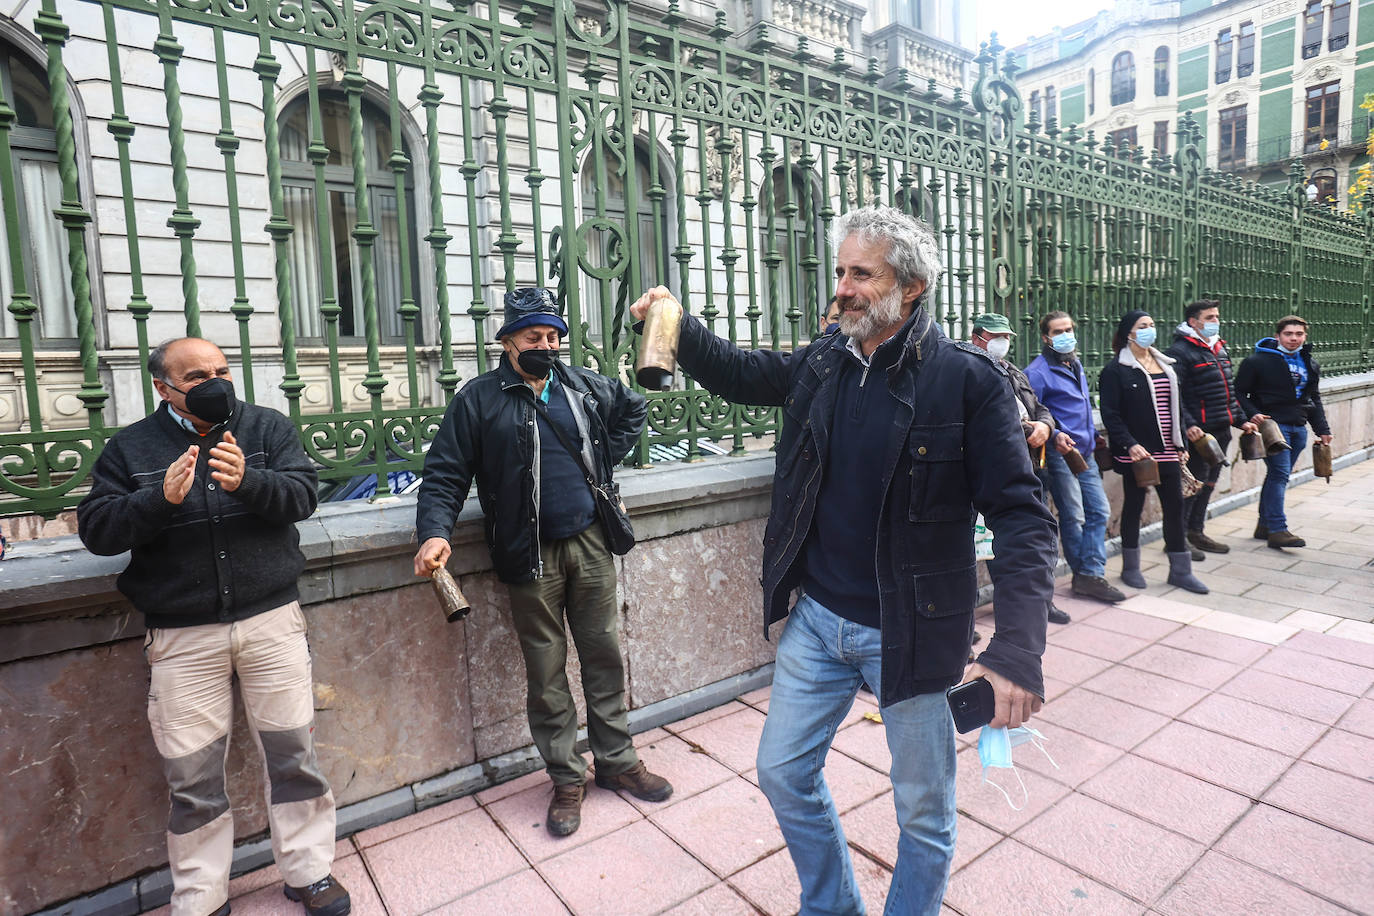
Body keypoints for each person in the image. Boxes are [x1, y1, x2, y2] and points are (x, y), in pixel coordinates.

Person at [631, 206, 1058, 916]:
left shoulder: (968, 381)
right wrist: (674, 322)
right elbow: (745, 374)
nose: (844, 288)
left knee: (923, 814)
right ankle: (831, 905)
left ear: (911, 286)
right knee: (781, 772)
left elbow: (1023, 518)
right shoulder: (828, 360)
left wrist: (1017, 648)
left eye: (863, 273)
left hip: (915, 635)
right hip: (819, 622)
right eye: (840, 272)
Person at [76, 338, 349, 916]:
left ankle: (309, 869)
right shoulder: (130, 448)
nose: (214, 381)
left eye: (222, 370)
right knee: (192, 775)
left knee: (293, 754)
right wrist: (158, 500)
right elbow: (98, 531)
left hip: (271, 621)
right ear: (163, 387)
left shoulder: (267, 428)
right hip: (181, 637)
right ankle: (201, 895)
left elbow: (304, 495)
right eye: (197, 374)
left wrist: (247, 481)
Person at [413, 287, 671, 838]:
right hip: (527, 555)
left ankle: (618, 763)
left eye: (554, 337)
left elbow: (632, 408)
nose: (547, 346)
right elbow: (444, 474)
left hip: (590, 543)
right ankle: (566, 775)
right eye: (534, 337)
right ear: (508, 342)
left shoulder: (579, 384)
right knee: (546, 668)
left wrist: (601, 461)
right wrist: (434, 532)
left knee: (604, 655)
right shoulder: (478, 399)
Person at [969, 312, 1072, 625]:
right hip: (986, 474)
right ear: (977, 339)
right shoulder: (966, 371)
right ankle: (965, 620)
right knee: (972, 548)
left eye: (1006, 337)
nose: (1002, 343)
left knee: (1029, 541)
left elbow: (1040, 408)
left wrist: (1044, 425)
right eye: (995, 336)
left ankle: (1037, 604)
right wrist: (1024, 429)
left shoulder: (1011, 370)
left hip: (1026, 470)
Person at [1098, 312, 1208, 594]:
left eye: (1152, 325)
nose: (1149, 330)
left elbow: (1177, 409)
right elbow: (1111, 416)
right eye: (1142, 326)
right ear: (1128, 333)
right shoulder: (1115, 370)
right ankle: (1130, 568)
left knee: (1174, 507)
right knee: (1134, 506)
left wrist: (1181, 442)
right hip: (1137, 453)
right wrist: (1129, 443)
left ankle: (1180, 571)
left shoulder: (1165, 364)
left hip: (1169, 450)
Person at [1024, 312, 1129, 605]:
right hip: (1061, 454)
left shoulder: (1075, 363)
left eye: (1069, 329)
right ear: (1046, 337)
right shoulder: (1038, 372)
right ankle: (1086, 575)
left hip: (1086, 451)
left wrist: (1093, 434)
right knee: (1075, 516)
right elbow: (1035, 413)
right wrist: (1056, 433)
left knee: (1099, 511)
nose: (1066, 335)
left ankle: (1088, 573)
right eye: (1058, 331)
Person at [1164, 300, 1260, 553]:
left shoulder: (1218, 347)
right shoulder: (1180, 351)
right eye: (1210, 317)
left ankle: (1196, 531)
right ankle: (1178, 538)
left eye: (1216, 316)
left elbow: (1227, 391)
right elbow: (1175, 394)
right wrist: (1189, 425)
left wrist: (1242, 420)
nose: (1215, 321)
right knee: (1193, 485)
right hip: (1200, 434)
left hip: (1221, 429)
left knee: (1208, 484)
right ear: (1193, 322)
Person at [1234, 315, 1332, 549]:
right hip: (1272, 428)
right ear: (1278, 336)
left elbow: (1313, 398)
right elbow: (1238, 392)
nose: (1294, 338)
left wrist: (1322, 429)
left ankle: (1264, 526)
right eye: (1288, 334)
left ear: (1305, 336)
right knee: (1279, 475)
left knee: (1278, 476)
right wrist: (1252, 414)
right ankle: (1278, 529)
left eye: (1299, 334)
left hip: (1299, 428)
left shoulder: (1310, 362)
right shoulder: (1257, 361)